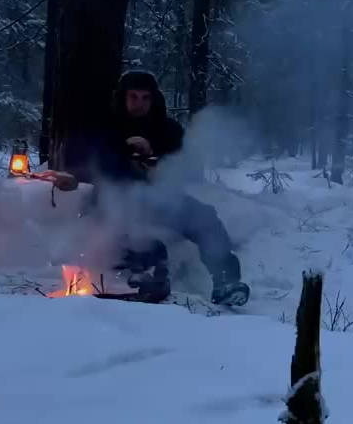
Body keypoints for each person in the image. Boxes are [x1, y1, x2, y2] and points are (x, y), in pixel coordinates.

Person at [54, 70, 250, 306]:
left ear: (154, 99)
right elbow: (81, 162)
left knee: (205, 218)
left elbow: (186, 166)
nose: (139, 104)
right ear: (122, 98)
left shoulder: (168, 130)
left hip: (160, 197)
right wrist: (76, 176)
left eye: (145, 98)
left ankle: (226, 280)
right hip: (113, 199)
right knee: (143, 238)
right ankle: (147, 280)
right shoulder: (104, 128)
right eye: (134, 97)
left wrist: (154, 159)